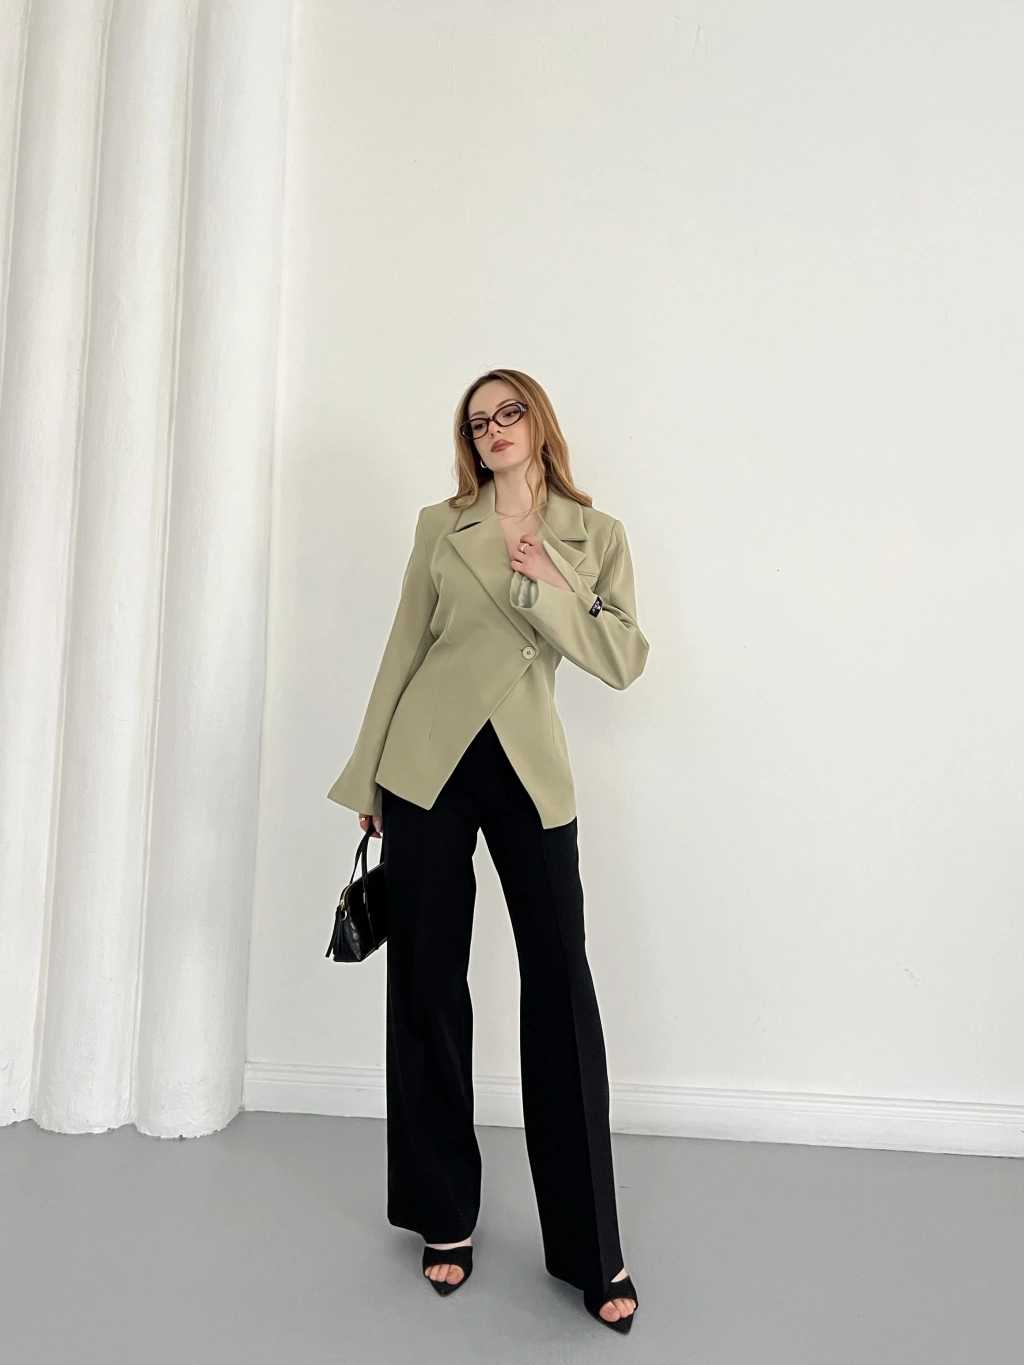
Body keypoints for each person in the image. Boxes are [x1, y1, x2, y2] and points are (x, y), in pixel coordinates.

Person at [327, 367, 649, 1331]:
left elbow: (623, 659)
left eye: (509, 413)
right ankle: (443, 1215)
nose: (495, 429)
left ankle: (593, 1249)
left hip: (529, 772)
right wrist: (369, 777)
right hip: (427, 763)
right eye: (478, 422)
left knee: (561, 988)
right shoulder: (443, 525)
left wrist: (548, 578)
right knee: (427, 981)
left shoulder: (595, 535)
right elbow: (403, 648)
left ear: (538, 423)